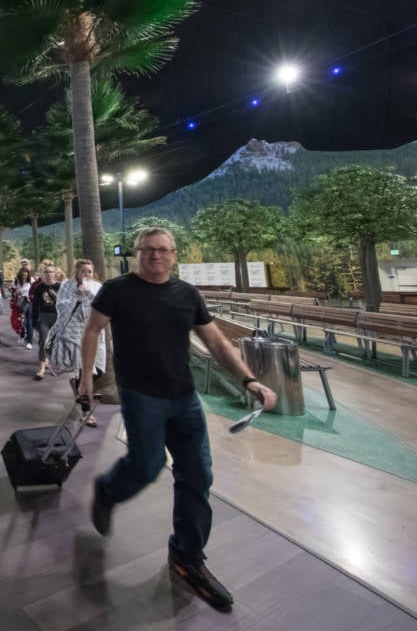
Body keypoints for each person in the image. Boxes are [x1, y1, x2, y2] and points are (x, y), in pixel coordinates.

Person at [78, 228, 277, 609]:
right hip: (140, 396)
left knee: (198, 476)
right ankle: (108, 490)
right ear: (137, 254)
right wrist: (88, 376)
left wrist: (249, 380)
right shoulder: (118, 290)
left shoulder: (187, 295)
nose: (156, 256)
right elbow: (92, 331)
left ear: (174, 254)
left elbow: (216, 342)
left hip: (185, 399)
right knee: (147, 465)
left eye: (163, 250)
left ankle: (187, 556)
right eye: (148, 250)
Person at [44, 259, 105, 426]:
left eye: (89, 272)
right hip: (74, 333)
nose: (87, 275)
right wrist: (78, 297)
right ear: (77, 273)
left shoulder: (98, 287)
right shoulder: (67, 286)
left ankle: (76, 385)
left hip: (94, 333)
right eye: (83, 271)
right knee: (83, 370)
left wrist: (90, 296)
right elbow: (61, 307)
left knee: (97, 370)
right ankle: (87, 412)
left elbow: (104, 308)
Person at [30, 265, 61, 379]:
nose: (49, 274)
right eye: (46, 272)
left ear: (55, 273)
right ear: (43, 274)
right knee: (44, 341)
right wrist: (33, 321)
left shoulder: (60, 287)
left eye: (51, 272)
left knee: (56, 343)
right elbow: (35, 306)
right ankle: (42, 368)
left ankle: (54, 366)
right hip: (43, 317)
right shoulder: (39, 288)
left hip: (57, 317)